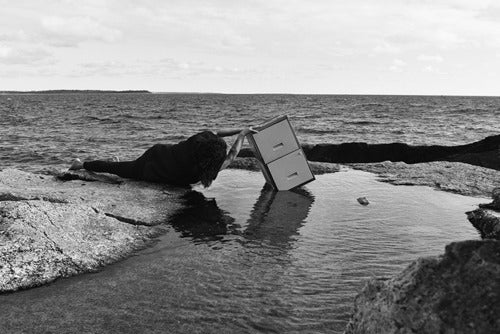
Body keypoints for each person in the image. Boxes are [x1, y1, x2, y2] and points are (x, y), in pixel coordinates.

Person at [69, 127, 257, 188]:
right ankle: (87, 164)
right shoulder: (207, 170)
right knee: (121, 170)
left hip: (155, 158)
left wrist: (239, 130)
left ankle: (80, 164)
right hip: (155, 169)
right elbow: (232, 156)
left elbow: (215, 133)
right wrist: (242, 136)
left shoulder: (194, 146)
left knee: (120, 169)